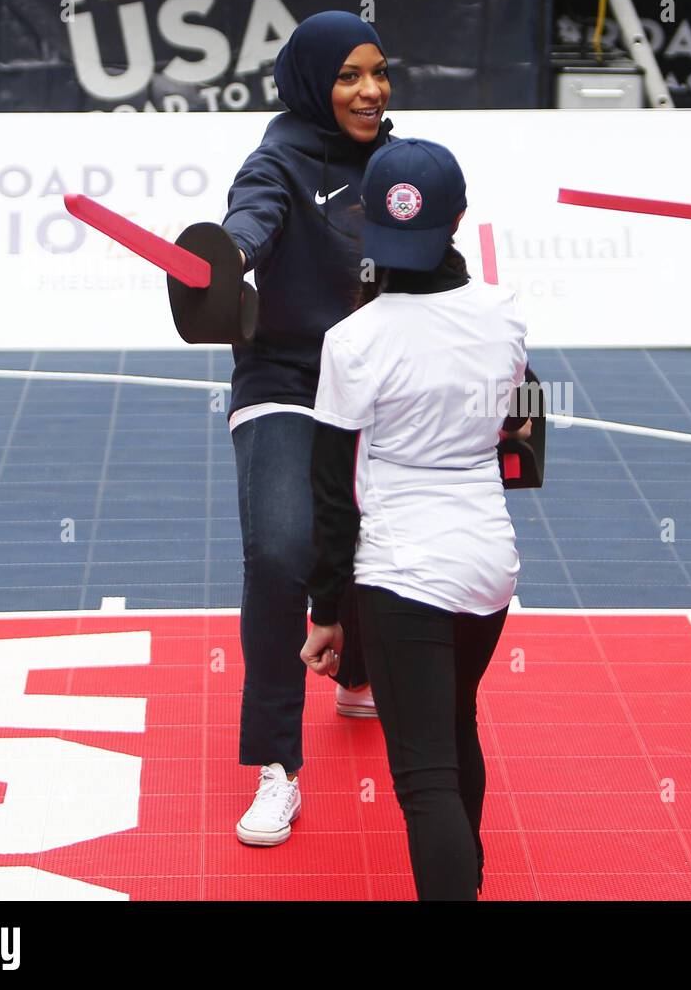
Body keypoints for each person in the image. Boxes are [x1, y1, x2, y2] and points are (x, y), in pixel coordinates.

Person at [299, 138, 530, 900]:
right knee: (456, 726)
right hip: (489, 570)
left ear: (367, 223)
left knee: (424, 780)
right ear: (459, 218)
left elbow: (332, 493)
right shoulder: (504, 315)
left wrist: (326, 611)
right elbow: (518, 424)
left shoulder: (353, 341)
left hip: (403, 575)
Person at [221, 10, 392, 847]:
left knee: (377, 534)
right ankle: (277, 768)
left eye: (379, 72)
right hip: (284, 375)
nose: (370, 90)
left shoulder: (399, 166)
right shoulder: (278, 160)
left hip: (373, 380)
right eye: (350, 76)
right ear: (310, 85)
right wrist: (226, 256)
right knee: (283, 547)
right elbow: (250, 222)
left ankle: (356, 667)